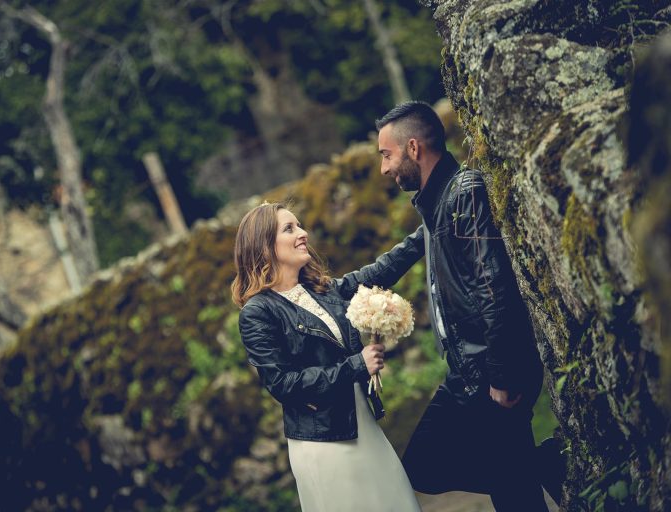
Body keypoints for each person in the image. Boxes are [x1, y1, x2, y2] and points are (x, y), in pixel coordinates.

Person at [375, 101, 561, 511]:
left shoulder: (463, 193)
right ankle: (543, 465)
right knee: (466, 477)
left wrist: (501, 374)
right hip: (468, 372)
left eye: (386, 155)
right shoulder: (436, 204)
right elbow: (396, 260)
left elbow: (493, 287)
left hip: (489, 371)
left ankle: (542, 465)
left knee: (506, 494)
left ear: (413, 148)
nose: (384, 168)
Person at [232, 202, 422, 512]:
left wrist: (428, 229)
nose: (303, 233)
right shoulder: (258, 312)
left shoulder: (323, 290)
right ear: (264, 246)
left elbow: (380, 271)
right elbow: (283, 384)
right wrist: (357, 365)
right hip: (324, 443)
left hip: (363, 424)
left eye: (299, 225)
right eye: (289, 229)